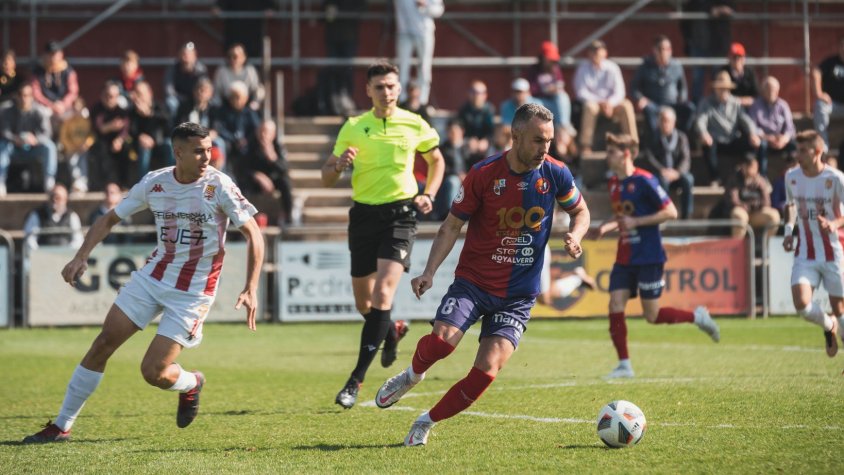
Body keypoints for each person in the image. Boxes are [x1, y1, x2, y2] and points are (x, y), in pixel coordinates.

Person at [21, 122, 264, 444]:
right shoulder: (155, 183)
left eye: (209, 149)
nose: (207, 156)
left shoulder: (219, 186)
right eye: (199, 151)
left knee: (153, 372)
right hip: (153, 276)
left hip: (193, 290)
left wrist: (251, 286)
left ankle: (191, 382)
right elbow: (110, 218)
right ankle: (62, 426)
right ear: (178, 152)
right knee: (103, 344)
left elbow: (254, 234)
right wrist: (81, 256)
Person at [373, 103, 590, 446]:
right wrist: (429, 271)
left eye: (549, 140)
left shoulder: (555, 172)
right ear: (514, 136)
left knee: (487, 370)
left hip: (518, 295)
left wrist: (576, 235)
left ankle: (426, 421)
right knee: (442, 342)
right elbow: (452, 225)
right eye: (537, 140)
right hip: (474, 284)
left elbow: (580, 210)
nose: (544, 149)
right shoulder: (484, 173)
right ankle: (412, 375)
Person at [321, 61, 444, 409]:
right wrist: (339, 165)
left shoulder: (414, 122)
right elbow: (326, 177)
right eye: (379, 87)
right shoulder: (354, 126)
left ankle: (354, 380)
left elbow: (437, 161)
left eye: (391, 86)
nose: (386, 92)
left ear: (399, 89)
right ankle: (390, 330)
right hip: (363, 215)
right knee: (365, 304)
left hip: (401, 214)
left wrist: (429, 193)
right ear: (368, 91)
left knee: (383, 292)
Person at [587, 133, 720, 380]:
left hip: (648, 255)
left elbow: (671, 211)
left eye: (612, 152)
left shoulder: (646, 180)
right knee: (615, 305)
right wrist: (605, 227)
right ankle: (624, 365)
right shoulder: (614, 183)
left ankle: (697, 316)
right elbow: (622, 217)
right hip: (624, 256)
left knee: (653, 315)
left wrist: (637, 221)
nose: (608, 157)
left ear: (626, 154)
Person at [783, 130, 844, 358]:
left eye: (802, 150)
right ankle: (828, 326)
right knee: (801, 304)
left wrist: (834, 223)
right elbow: (790, 206)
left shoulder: (836, 179)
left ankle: (835, 322)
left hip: (833, 252)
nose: (797, 154)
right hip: (805, 253)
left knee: (840, 309)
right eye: (797, 149)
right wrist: (789, 231)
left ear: (817, 152)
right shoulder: (792, 176)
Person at [573, 40, 638, 155]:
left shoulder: (612, 68)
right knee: (589, 107)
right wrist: (600, 103)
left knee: (627, 105)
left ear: (605, 53)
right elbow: (581, 92)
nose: (595, 54)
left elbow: (620, 91)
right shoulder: (582, 69)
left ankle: (632, 144)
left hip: (612, 104)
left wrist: (609, 103)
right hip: (595, 104)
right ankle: (585, 146)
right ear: (589, 54)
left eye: (598, 51)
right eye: (593, 51)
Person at [695, 70, 760, 185]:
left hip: (732, 139)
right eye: (720, 88)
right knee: (706, 146)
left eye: (726, 88)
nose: (723, 91)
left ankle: (752, 174)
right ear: (715, 89)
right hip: (715, 140)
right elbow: (701, 120)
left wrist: (752, 133)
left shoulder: (735, 102)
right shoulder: (706, 102)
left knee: (754, 144)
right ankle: (714, 178)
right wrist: (704, 133)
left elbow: (746, 120)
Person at [629, 35, 695, 145]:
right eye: (661, 49)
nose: (664, 52)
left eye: (668, 49)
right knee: (648, 109)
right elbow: (634, 87)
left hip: (673, 104)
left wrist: (682, 99)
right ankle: (656, 143)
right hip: (654, 104)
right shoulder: (645, 66)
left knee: (690, 108)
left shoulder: (676, 66)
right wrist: (641, 98)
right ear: (654, 50)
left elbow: (683, 87)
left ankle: (680, 139)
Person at [0, 84, 58, 195]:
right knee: (2, 145)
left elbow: (47, 133)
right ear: (16, 96)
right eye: (21, 95)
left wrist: (35, 139)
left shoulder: (39, 111)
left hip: (33, 148)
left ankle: (49, 182)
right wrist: (15, 139)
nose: (24, 99)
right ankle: (0, 182)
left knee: (49, 146)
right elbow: (4, 131)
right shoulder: (7, 111)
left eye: (27, 96)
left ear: (32, 97)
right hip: (14, 148)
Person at [641, 107, 694, 219]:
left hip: (676, 173)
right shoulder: (652, 137)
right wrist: (662, 170)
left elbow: (686, 158)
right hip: (659, 172)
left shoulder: (681, 137)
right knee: (661, 182)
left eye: (667, 121)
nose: (665, 124)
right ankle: (663, 214)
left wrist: (677, 172)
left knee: (688, 180)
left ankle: (686, 216)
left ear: (674, 122)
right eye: (662, 120)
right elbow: (649, 157)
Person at [241, 119, 294, 226]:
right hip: (255, 181)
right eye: (261, 131)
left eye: (266, 132)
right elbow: (242, 168)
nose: (263, 135)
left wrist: (273, 158)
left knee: (285, 182)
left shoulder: (278, 147)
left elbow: (284, 170)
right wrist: (257, 176)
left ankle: (288, 217)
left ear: (273, 135)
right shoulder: (250, 146)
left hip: (273, 180)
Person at [681, 0, 735, 103]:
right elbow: (686, 16)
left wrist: (720, 10)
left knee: (717, 79)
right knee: (697, 79)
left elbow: (732, 9)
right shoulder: (695, 3)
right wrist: (689, 40)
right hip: (698, 44)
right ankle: (696, 109)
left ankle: (716, 107)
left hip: (718, 45)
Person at [714, 154, 779, 239]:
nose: (753, 169)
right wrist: (747, 206)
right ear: (743, 166)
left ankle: (765, 247)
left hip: (756, 212)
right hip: (741, 211)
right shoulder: (734, 179)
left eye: (755, 166)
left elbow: (766, 202)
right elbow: (733, 201)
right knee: (739, 215)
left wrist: (753, 206)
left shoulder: (760, 180)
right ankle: (738, 248)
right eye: (750, 166)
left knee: (774, 216)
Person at [394, 0, 444, 105]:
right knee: (402, 68)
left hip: (424, 32)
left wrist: (425, 5)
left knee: (424, 67)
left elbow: (439, 10)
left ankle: (422, 102)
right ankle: (402, 101)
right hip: (404, 32)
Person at [749, 76, 795, 177]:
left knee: (795, 145)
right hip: (765, 139)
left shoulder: (783, 105)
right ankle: (763, 176)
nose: (771, 92)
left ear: (778, 91)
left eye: (774, 89)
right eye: (768, 89)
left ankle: (793, 175)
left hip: (781, 140)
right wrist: (768, 138)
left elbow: (790, 128)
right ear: (763, 90)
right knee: (761, 145)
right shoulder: (756, 105)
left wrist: (784, 139)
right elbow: (753, 127)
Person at [89, 81, 131, 191]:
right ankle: (106, 185)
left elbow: (125, 128)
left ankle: (123, 184)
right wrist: (110, 127)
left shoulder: (121, 111)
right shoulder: (96, 109)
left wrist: (119, 140)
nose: (109, 99)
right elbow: (98, 128)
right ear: (102, 96)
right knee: (101, 149)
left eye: (112, 96)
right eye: (107, 96)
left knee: (126, 149)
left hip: (117, 141)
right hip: (101, 140)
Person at [129, 81, 173, 181]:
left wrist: (150, 114)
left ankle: (171, 180)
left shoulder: (159, 106)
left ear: (149, 93)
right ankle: (143, 183)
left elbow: (168, 124)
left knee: (170, 145)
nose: (138, 97)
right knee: (144, 148)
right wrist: (140, 136)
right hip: (143, 145)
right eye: (136, 94)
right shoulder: (132, 111)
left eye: (140, 94)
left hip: (160, 143)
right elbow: (131, 131)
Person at [526, 41, 573, 133]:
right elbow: (531, 89)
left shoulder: (556, 69)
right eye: (549, 59)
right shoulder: (533, 69)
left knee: (563, 96)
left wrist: (556, 89)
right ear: (543, 58)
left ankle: (563, 126)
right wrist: (546, 90)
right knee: (527, 100)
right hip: (539, 101)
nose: (552, 61)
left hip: (554, 103)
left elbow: (560, 85)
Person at [22, 183, 83, 251]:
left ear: (65, 200)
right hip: (42, 257)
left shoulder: (72, 216)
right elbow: (30, 239)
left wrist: (66, 253)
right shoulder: (36, 215)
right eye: (52, 197)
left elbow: (78, 240)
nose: (54, 200)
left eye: (58, 198)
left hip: (66, 257)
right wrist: (40, 254)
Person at [31, 41, 79, 127]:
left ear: (61, 54)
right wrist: (50, 105)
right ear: (44, 55)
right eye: (49, 54)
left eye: (55, 54)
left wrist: (63, 104)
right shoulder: (38, 71)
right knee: (40, 113)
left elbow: (73, 92)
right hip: (45, 106)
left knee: (82, 113)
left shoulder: (68, 71)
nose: (52, 57)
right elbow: (36, 93)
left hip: (64, 106)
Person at [812, 37, 844, 151]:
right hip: (832, 105)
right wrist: (819, 93)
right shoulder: (831, 62)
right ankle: (823, 145)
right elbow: (816, 72)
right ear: (840, 48)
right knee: (820, 104)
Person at [164, 42, 209, 120]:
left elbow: (204, 87)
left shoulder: (201, 70)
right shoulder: (172, 69)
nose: (186, 56)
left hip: (196, 98)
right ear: (179, 55)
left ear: (195, 56)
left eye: (189, 54)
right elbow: (169, 90)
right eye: (184, 54)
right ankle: (175, 127)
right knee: (171, 102)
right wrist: (182, 99)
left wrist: (197, 97)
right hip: (178, 98)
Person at [213, 43, 265, 112]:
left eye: (235, 56)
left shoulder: (250, 71)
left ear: (243, 57)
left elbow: (258, 89)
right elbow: (216, 92)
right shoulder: (221, 71)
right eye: (229, 56)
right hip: (226, 108)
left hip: (247, 108)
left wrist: (255, 103)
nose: (232, 59)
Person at [457, 80, 495, 162]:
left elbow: (491, 131)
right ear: (469, 93)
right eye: (473, 92)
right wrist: (468, 140)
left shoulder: (489, 110)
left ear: (485, 95)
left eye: (479, 93)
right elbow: (460, 129)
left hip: (485, 143)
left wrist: (486, 141)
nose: (476, 95)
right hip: (468, 142)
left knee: (491, 153)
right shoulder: (463, 109)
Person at [716, 42, 758, 108]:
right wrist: (736, 101)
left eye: (739, 57)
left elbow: (756, 95)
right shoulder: (723, 72)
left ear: (744, 58)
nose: (737, 60)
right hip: (729, 107)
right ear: (729, 58)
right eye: (734, 57)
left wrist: (740, 101)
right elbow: (721, 95)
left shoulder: (750, 72)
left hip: (748, 108)